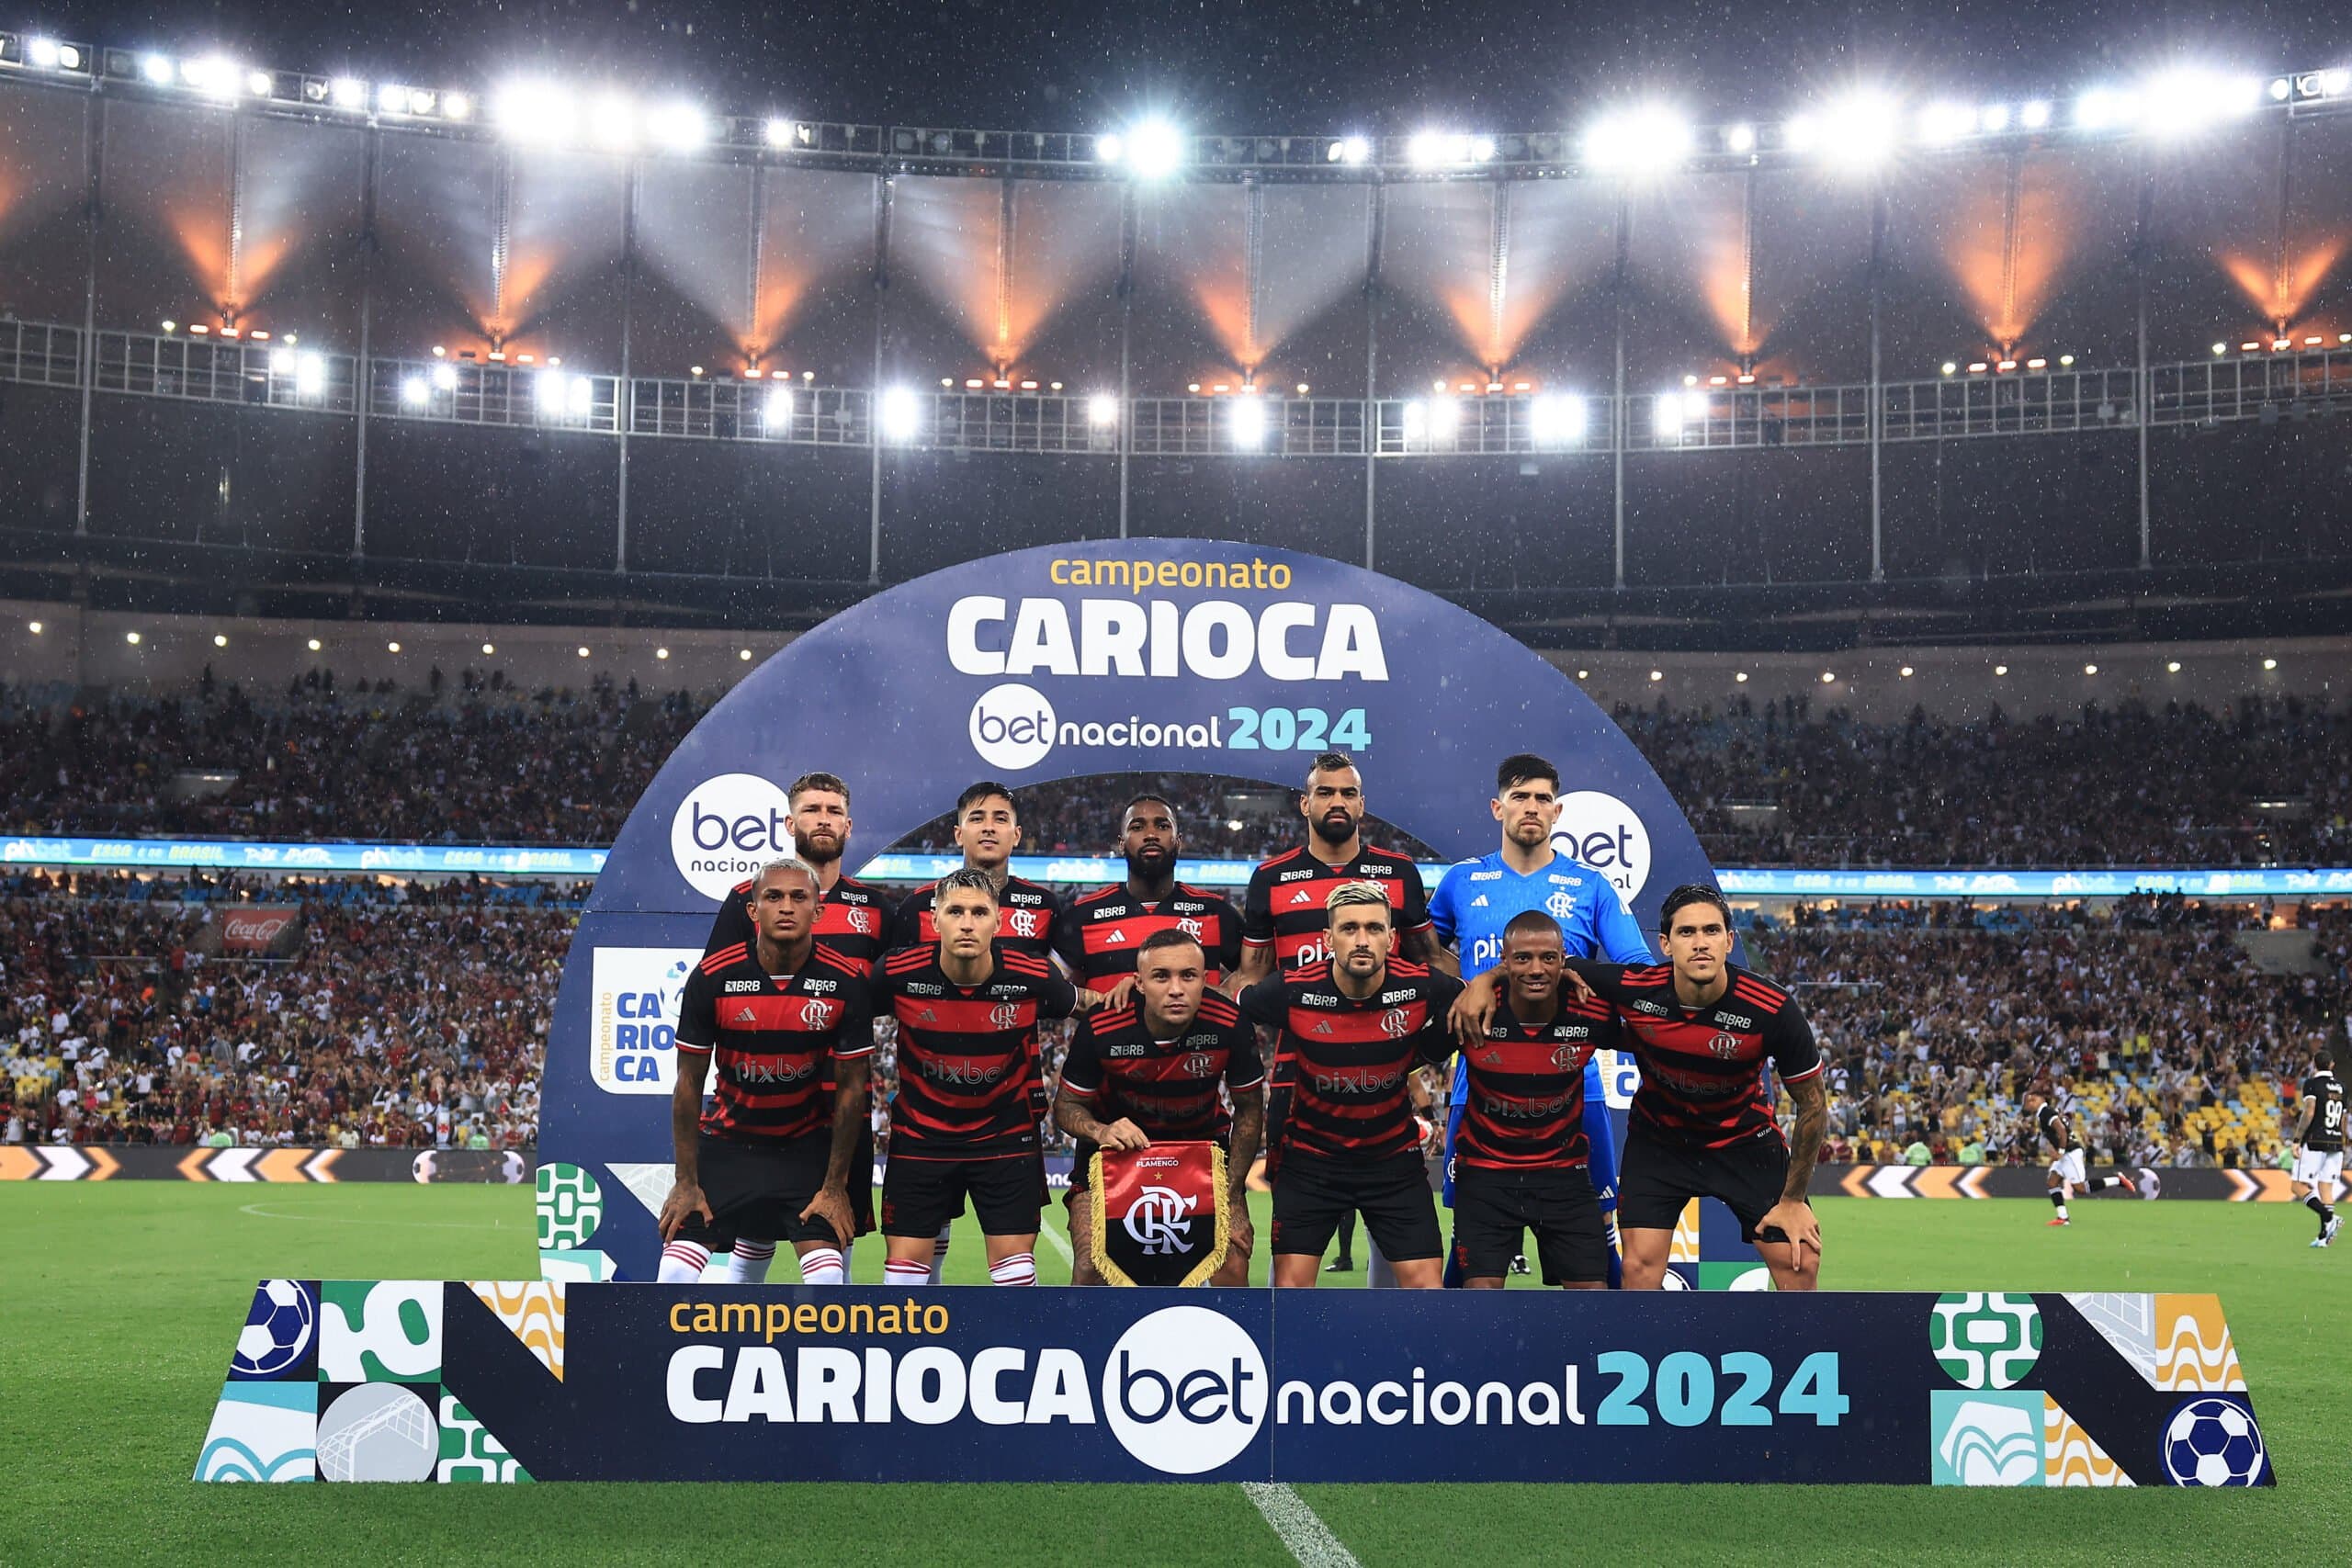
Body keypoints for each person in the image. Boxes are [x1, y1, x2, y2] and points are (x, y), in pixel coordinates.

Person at [1468, 884, 1829, 1290]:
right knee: (1637, 1271)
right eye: (1686, 933)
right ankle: (1643, 1354)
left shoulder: (1772, 1008)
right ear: (1665, 943)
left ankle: (1789, 1352)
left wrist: (1794, 1200)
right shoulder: (1635, 989)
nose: (1700, 944)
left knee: (1798, 1261)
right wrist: (1486, 979)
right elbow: (1542, 964)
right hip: (1660, 1143)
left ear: (1729, 941)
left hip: (1744, 1143)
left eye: (1711, 931)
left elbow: (1814, 1104)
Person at [1432, 753, 1654, 1287]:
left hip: (1574, 1091)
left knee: (1596, 1253)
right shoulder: (1462, 881)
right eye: (1518, 796)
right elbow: (1424, 957)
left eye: (1540, 799)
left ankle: (1595, 1366)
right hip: (1479, 1087)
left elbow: (1639, 971)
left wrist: (1565, 969)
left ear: (1557, 812)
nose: (1530, 807)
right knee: (1473, 1259)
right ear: (1497, 807)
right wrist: (1472, 983)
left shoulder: (1591, 885)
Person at [1227, 751, 1443, 1276]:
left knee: (1405, 1245)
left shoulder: (1400, 873)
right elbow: (1251, 975)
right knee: (1298, 1253)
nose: (1337, 801)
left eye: (1347, 793)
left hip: (1384, 1068)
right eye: (1325, 792)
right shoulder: (1270, 878)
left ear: (1362, 805)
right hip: (1297, 1080)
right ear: (1305, 803)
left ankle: (1396, 1349)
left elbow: (1430, 964)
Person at [697, 771, 892, 1282]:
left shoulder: (875, 908)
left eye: (832, 811)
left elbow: (903, 988)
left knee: (833, 1240)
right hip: (762, 1109)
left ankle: (829, 1352)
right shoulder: (747, 900)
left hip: (840, 1108)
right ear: (789, 822)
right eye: (811, 810)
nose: (822, 820)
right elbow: (715, 996)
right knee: (751, 1240)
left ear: (849, 826)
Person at [870, 869, 1094, 1287]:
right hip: (921, 1139)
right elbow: (841, 1015)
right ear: (935, 920)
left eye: (979, 912)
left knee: (1015, 1280)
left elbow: (1089, 1005)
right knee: (903, 1284)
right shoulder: (896, 972)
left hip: (1005, 1138)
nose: (968, 923)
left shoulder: (1033, 975)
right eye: (955, 911)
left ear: (999, 920)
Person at [655, 858, 874, 1286]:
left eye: (799, 897)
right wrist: (685, 1182)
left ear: (818, 910)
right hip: (727, 1145)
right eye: (773, 897)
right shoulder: (712, 978)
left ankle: (820, 1356)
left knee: (829, 1278)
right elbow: (687, 1085)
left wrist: (834, 1186)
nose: (786, 907)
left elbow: (852, 1092)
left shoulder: (846, 981)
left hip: (804, 1149)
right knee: (674, 1273)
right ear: (753, 910)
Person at [1238, 881, 1463, 1289]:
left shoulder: (1422, 985)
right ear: (1327, 938)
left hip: (1393, 1162)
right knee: (1289, 1295)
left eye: (1375, 928)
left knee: (1429, 1295)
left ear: (1392, 938)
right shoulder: (1292, 988)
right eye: (1349, 928)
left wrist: (1427, 1049)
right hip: (1311, 1162)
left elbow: (1472, 1000)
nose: (1363, 940)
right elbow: (1224, 1011)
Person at [889, 782, 1066, 1282]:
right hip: (926, 1115)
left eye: (1000, 817)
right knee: (922, 1250)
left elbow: (1061, 990)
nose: (989, 825)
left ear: (1017, 834)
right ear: (958, 831)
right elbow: (888, 990)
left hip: (1009, 1110)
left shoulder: (1046, 906)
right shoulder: (916, 907)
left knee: (1011, 1267)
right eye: (978, 816)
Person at [1053, 928, 1263, 1285]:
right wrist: (1101, 1130)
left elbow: (1250, 1110)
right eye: (1161, 976)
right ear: (1138, 982)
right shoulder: (1102, 1025)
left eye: (1189, 976)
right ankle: (1087, 1342)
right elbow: (1067, 1106)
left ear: (1205, 981)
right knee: (1090, 1263)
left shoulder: (1230, 1023)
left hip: (1200, 1157)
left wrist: (1234, 1192)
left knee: (1232, 1257)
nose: (1176, 988)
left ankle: (1233, 1342)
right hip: (1115, 1159)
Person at [1446, 911, 1618, 1290]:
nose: (1536, 969)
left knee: (1594, 1298)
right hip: (1486, 1175)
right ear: (1505, 963)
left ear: (1564, 961)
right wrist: (1483, 979)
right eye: (1522, 958)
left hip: (1563, 1176)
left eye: (1549, 959)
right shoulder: (1472, 1008)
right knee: (1480, 1300)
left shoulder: (1591, 1009)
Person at [1056, 795, 1242, 1006]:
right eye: (1137, 827)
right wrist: (1103, 1009)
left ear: (1178, 842)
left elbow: (1253, 976)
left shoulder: (1216, 911)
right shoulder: (1084, 915)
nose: (1151, 835)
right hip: (1112, 1038)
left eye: (1162, 826)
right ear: (1121, 843)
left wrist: (1209, 1001)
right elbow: (1052, 988)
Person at [2026, 1089, 2134, 1226]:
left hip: (2070, 1152)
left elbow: (2062, 1131)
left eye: (2032, 1100)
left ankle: (2117, 1180)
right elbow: (2057, 1132)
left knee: (2081, 1188)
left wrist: (2060, 1151)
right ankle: (2063, 1218)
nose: (2030, 1103)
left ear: (2041, 1099)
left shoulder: (2046, 1112)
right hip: (2066, 1153)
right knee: (2052, 1182)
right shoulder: (2043, 1113)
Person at [2288, 1054, 2343, 1247]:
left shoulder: (2312, 1084)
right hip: (2336, 1142)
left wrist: (2297, 1138)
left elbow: (2309, 1112)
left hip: (2315, 1141)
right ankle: (2323, 1237)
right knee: (2325, 1188)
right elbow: (2343, 1118)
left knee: (2297, 1186)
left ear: (2314, 1064)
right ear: (2332, 1064)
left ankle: (2329, 1217)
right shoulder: (2340, 1087)